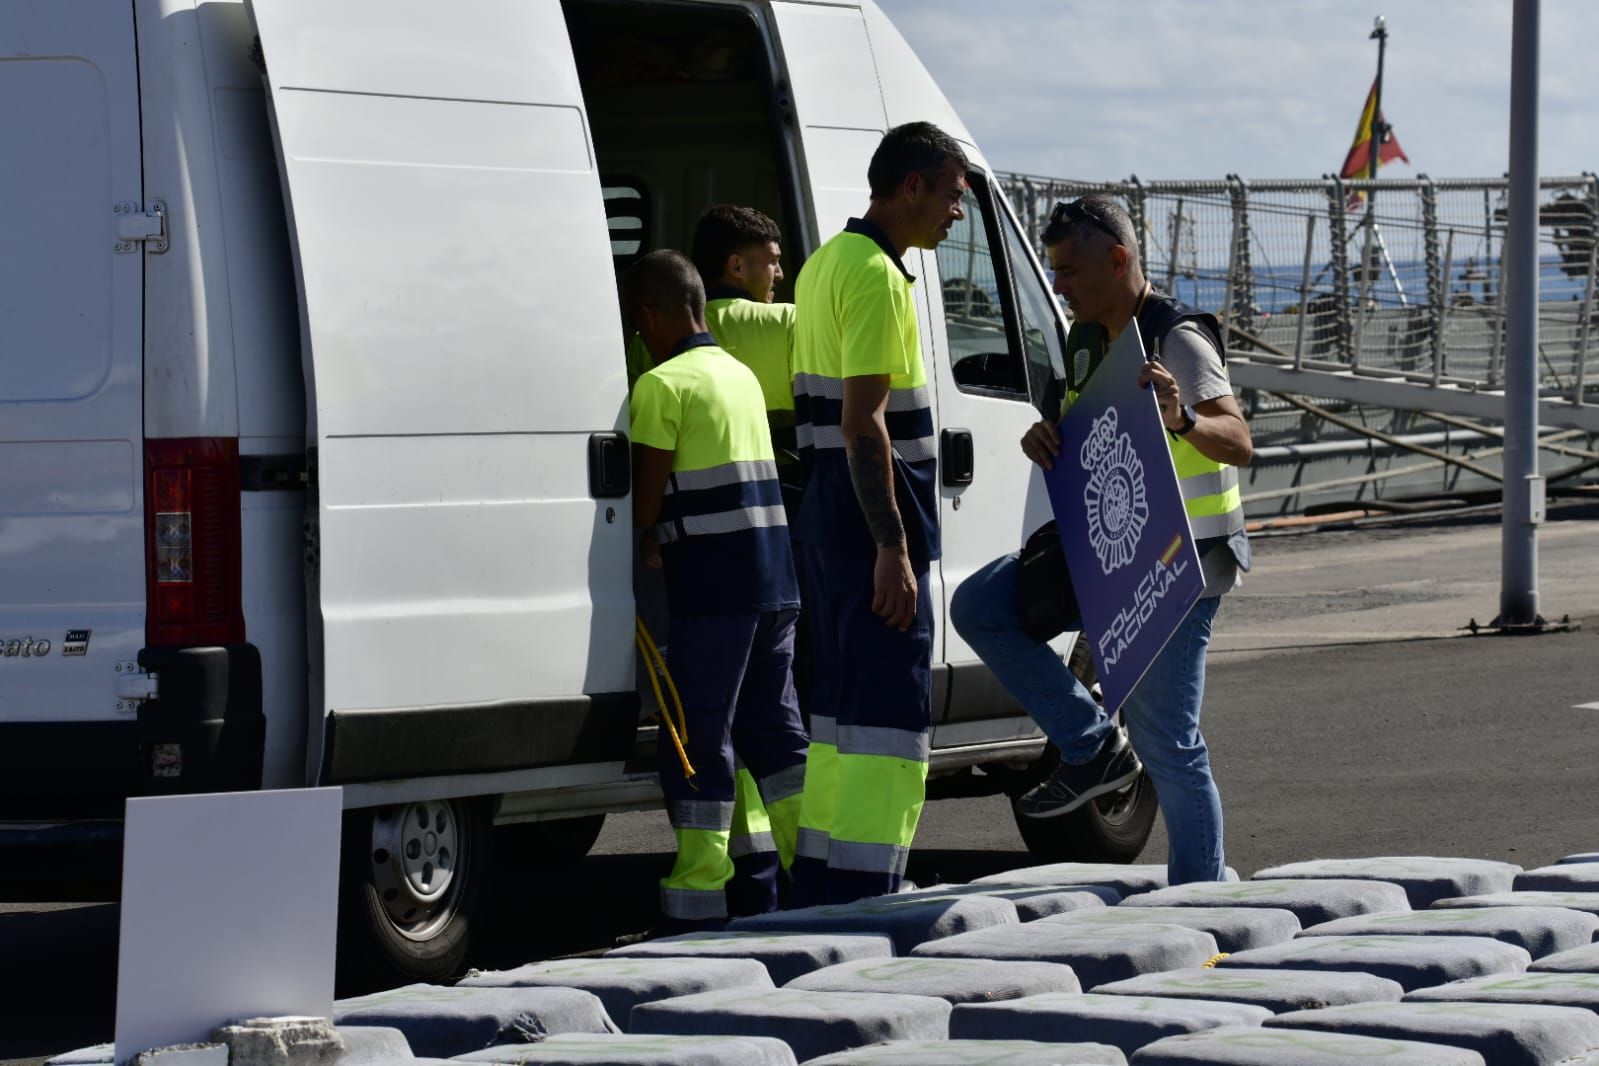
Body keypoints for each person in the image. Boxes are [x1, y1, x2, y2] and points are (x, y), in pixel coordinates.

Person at [950, 195, 1252, 885]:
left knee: (1168, 742)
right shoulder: (1085, 339)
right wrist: (1045, 438)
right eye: (1052, 271)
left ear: (1117, 260)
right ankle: (1091, 748)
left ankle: (1202, 897)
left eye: (1068, 270)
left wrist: (1180, 419)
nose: (1057, 285)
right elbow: (1095, 440)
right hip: (1106, 552)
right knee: (980, 607)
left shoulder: (1176, 336)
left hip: (1181, 565)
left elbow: (1236, 442)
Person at [787, 122, 969, 904]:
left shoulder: (824, 263)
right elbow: (864, 422)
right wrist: (892, 547)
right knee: (889, 715)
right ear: (912, 186)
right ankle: (871, 887)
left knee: (834, 709)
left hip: (826, 509)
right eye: (953, 196)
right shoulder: (877, 278)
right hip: (872, 513)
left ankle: (824, 881)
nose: (956, 214)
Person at [624, 249, 809, 927]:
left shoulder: (660, 386)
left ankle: (700, 890)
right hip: (774, 584)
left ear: (649, 314)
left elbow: (644, 500)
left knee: (697, 734)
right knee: (777, 736)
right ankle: (805, 871)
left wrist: (640, 537)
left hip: (711, 588)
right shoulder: (737, 376)